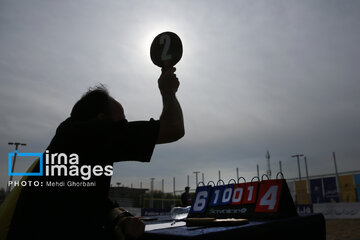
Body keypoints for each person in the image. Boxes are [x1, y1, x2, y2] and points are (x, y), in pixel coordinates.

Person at [4, 67, 184, 240]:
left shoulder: (73, 145)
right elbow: (174, 128)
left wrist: (120, 217)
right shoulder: (90, 135)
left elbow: (95, 202)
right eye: (122, 121)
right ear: (101, 120)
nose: (125, 126)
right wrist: (168, 91)